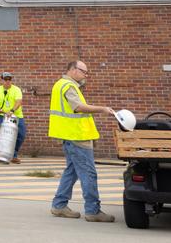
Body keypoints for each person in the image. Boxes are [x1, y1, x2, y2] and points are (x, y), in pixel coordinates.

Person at [49, 60, 120, 223]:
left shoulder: (60, 84)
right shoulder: (69, 86)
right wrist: (102, 109)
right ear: (73, 70)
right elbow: (78, 107)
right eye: (83, 72)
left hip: (69, 135)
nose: (85, 75)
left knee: (71, 171)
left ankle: (59, 206)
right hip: (77, 136)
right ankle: (92, 210)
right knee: (89, 173)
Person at [0, 71, 25, 163]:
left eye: (9, 79)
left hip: (16, 116)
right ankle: (3, 155)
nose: (7, 81)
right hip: (3, 116)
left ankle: (13, 153)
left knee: (21, 135)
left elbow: (19, 101)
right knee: (5, 136)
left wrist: (12, 111)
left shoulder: (16, 89)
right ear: (2, 80)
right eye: (5, 79)